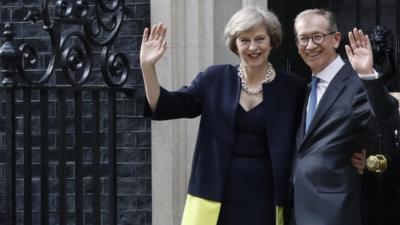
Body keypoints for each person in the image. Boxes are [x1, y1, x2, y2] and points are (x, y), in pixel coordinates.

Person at [140, 7, 365, 225]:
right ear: (234, 44)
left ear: (271, 41)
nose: (252, 47)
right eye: (244, 40)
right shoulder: (215, 79)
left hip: (267, 198)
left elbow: (324, 123)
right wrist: (147, 67)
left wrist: (357, 151)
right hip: (214, 194)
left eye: (259, 39)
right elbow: (165, 105)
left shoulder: (293, 88)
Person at [291, 9, 400, 225]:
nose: (310, 45)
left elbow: (386, 120)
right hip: (297, 209)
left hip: (335, 212)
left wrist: (368, 74)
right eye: (303, 38)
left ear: (336, 39)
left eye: (317, 36)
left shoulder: (356, 83)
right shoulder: (302, 90)